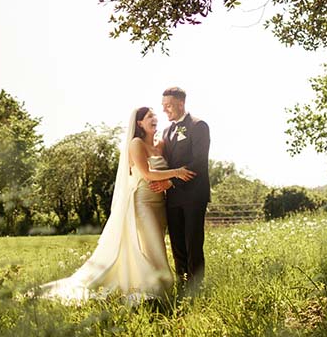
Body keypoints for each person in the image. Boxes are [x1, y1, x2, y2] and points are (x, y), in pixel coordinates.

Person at [38, 107, 194, 301]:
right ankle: (163, 288)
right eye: (149, 116)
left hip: (160, 204)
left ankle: (157, 284)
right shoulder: (136, 144)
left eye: (155, 115)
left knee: (156, 245)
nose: (154, 118)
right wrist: (177, 172)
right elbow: (147, 175)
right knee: (156, 247)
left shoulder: (160, 144)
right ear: (139, 123)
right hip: (143, 203)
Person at [153, 86, 210, 292]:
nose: (165, 110)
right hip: (173, 198)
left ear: (180, 103)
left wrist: (172, 182)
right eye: (163, 106)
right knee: (177, 243)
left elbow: (199, 162)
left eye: (168, 106)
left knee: (193, 243)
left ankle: (196, 289)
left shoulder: (198, 125)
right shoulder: (166, 131)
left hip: (194, 195)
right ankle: (182, 284)